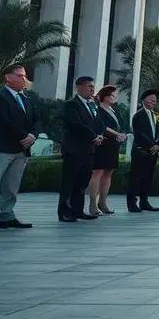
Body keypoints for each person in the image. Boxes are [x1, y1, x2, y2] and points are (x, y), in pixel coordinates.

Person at [0, 64, 37, 232]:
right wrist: (24, 136)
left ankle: (7, 216)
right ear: (8, 77)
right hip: (1, 148)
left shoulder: (27, 99)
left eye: (24, 76)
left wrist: (33, 135)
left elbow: (36, 121)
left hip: (21, 150)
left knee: (11, 186)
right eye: (19, 76)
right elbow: (2, 121)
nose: (23, 79)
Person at [58, 76, 103, 222]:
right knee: (69, 181)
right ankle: (65, 211)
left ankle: (78, 210)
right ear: (79, 87)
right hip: (74, 149)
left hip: (88, 150)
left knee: (82, 181)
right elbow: (76, 124)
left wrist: (99, 135)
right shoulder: (71, 104)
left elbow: (98, 123)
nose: (92, 89)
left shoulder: (92, 105)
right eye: (89, 86)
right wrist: (93, 136)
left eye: (92, 86)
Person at [88, 85, 128, 216]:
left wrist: (122, 134)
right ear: (104, 96)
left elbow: (120, 125)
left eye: (115, 95)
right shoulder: (98, 109)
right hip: (102, 144)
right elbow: (102, 127)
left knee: (108, 173)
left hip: (113, 145)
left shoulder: (114, 111)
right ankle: (93, 204)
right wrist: (117, 134)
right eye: (111, 95)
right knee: (98, 173)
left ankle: (103, 202)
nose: (114, 97)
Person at [127, 89, 159, 213]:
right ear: (144, 100)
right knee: (136, 178)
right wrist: (151, 145)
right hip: (141, 151)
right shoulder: (138, 115)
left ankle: (144, 202)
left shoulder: (155, 115)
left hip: (152, 152)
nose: (154, 101)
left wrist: (157, 144)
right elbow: (139, 134)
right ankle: (132, 203)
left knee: (148, 178)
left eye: (155, 99)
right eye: (151, 98)